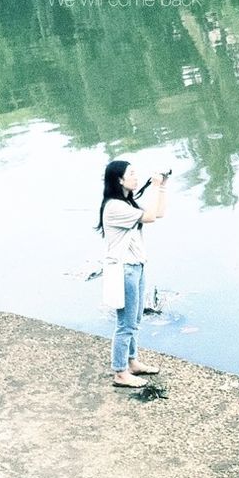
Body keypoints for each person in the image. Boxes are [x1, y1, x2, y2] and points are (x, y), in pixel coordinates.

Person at [97, 159, 168, 388]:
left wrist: (162, 186)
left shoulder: (127, 203)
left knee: (135, 320)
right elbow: (148, 217)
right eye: (132, 174)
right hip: (124, 270)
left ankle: (132, 361)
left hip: (136, 267)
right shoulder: (115, 207)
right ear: (120, 180)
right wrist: (155, 186)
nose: (136, 177)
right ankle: (120, 372)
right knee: (125, 323)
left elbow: (158, 214)